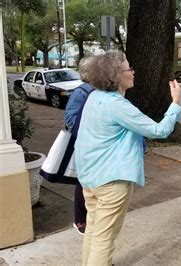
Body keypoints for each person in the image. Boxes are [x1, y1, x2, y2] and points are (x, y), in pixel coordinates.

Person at [74, 50, 181, 265]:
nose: (133, 72)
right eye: (129, 68)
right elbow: (159, 130)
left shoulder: (94, 97)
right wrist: (175, 103)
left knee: (94, 231)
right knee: (104, 239)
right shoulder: (118, 106)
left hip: (91, 178)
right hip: (111, 181)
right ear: (116, 76)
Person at [64, 56, 94, 236]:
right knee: (82, 182)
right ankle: (80, 220)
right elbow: (69, 120)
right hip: (85, 145)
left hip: (95, 146)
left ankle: (89, 217)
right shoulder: (81, 92)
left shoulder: (99, 90)